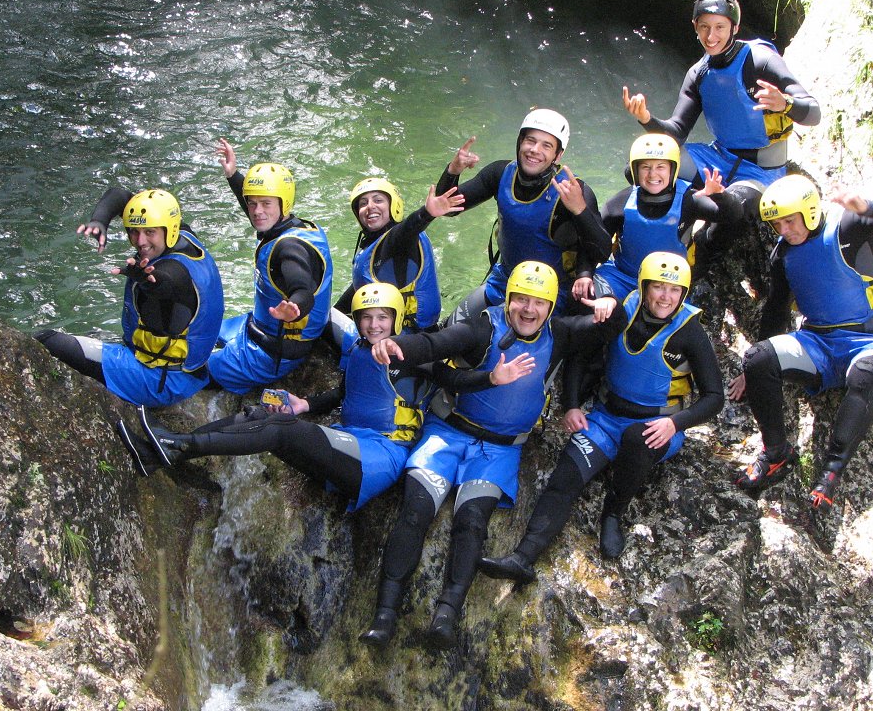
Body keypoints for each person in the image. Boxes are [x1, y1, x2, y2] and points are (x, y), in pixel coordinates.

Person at [358, 261, 610, 650]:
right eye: (520, 299)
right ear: (508, 299)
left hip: (498, 449)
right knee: (416, 510)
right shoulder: (484, 326)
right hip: (448, 432)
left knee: (472, 521)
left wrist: (611, 305)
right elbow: (436, 344)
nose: (528, 309)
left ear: (550, 306)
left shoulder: (559, 334)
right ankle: (384, 615)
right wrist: (398, 346)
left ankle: (447, 614)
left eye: (538, 302)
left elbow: (615, 326)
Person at [115, 284, 527, 512]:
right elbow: (345, 393)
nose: (373, 324)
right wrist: (306, 405)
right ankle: (166, 450)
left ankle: (179, 446)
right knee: (269, 413)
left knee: (281, 431)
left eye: (382, 316)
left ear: (396, 319)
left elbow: (455, 382)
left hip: (381, 457)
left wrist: (493, 377)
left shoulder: (414, 355)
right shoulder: (358, 351)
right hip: (350, 440)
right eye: (366, 317)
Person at [479, 252, 723, 585]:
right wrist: (573, 404)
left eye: (674, 290)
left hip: (657, 425)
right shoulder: (622, 312)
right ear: (644, 286)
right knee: (564, 478)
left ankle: (613, 513)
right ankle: (523, 558)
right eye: (658, 288)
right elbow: (583, 354)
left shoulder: (690, 332)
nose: (665, 297)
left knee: (637, 441)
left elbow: (714, 398)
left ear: (684, 293)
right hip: (606, 420)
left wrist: (675, 423)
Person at [728, 175, 873, 507]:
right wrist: (752, 370)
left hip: (871, 341)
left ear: (808, 211)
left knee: (865, 374)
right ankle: (776, 453)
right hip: (817, 345)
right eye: (777, 224)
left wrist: (868, 208)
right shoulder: (783, 255)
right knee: (759, 358)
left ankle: (831, 472)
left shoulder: (849, 227)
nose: (784, 230)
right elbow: (776, 309)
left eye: (789, 221)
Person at [622, 0, 821, 253]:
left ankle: (699, 251)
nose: (710, 36)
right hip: (717, 159)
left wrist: (786, 103)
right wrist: (646, 119)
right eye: (704, 27)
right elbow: (677, 132)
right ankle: (671, 226)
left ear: (735, 27)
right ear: (695, 26)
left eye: (719, 27)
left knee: (733, 207)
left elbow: (814, 112)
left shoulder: (759, 61)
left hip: (761, 168)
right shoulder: (699, 73)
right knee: (639, 169)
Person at [36, 188, 224, 408]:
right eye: (134, 231)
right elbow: (120, 195)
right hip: (190, 375)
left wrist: (147, 280)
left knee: (48, 340)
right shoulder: (183, 235)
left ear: (168, 229)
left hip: (157, 381)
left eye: (149, 232)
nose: (140, 241)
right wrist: (100, 221)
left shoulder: (174, 273)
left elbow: (168, 283)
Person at [435, 109, 612, 318]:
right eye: (530, 141)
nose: (534, 150)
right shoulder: (500, 173)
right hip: (505, 280)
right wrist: (453, 171)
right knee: (450, 329)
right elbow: (445, 208)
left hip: (552, 294)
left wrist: (580, 210)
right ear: (520, 142)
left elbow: (601, 251)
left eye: (546, 145)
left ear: (558, 155)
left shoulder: (573, 190)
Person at [208, 139, 333, 393]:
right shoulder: (294, 225)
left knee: (188, 366)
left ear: (282, 204)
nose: (256, 211)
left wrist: (295, 308)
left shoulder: (290, 250)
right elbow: (260, 212)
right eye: (252, 203)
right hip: (257, 326)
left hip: (272, 354)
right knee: (198, 330)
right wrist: (233, 175)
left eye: (265, 204)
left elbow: (302, 288)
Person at [574, 133, 742, 302]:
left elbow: (732, 215)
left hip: (669, 284)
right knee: (584, 297)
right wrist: (584, 273)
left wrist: (720, 195)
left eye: (660, 167)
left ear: (673, 169)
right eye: (646, 167)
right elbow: (593, 242)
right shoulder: (619, 203)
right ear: (635, 170)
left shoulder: (689, 200)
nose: (653, 174)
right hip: (622, 278)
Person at [335, 176, 463, 332]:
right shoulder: (372, 244)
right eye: (363, 203)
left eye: (378, 200)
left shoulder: (399, 241)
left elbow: (408, 228)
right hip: (382, 329)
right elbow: (361, 285)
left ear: (393, 206)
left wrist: (427, 213)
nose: (370, 206)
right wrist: (336, 312)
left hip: (409, 335)